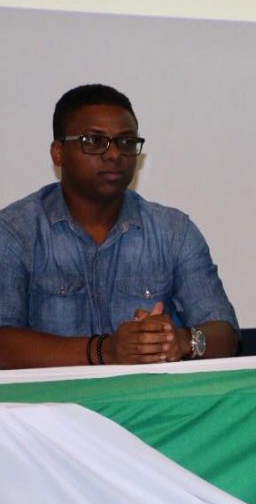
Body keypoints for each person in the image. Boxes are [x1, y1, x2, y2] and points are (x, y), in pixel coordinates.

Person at [0, 84, 239, 369]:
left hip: (148, 405)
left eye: (126, 142)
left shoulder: (173, 231)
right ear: (58, 153)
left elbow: (224, 333)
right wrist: (104, 351)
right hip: (48, 409)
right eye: (94, 141)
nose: (114, 154)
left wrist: (180, 341)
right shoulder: (15, 233)